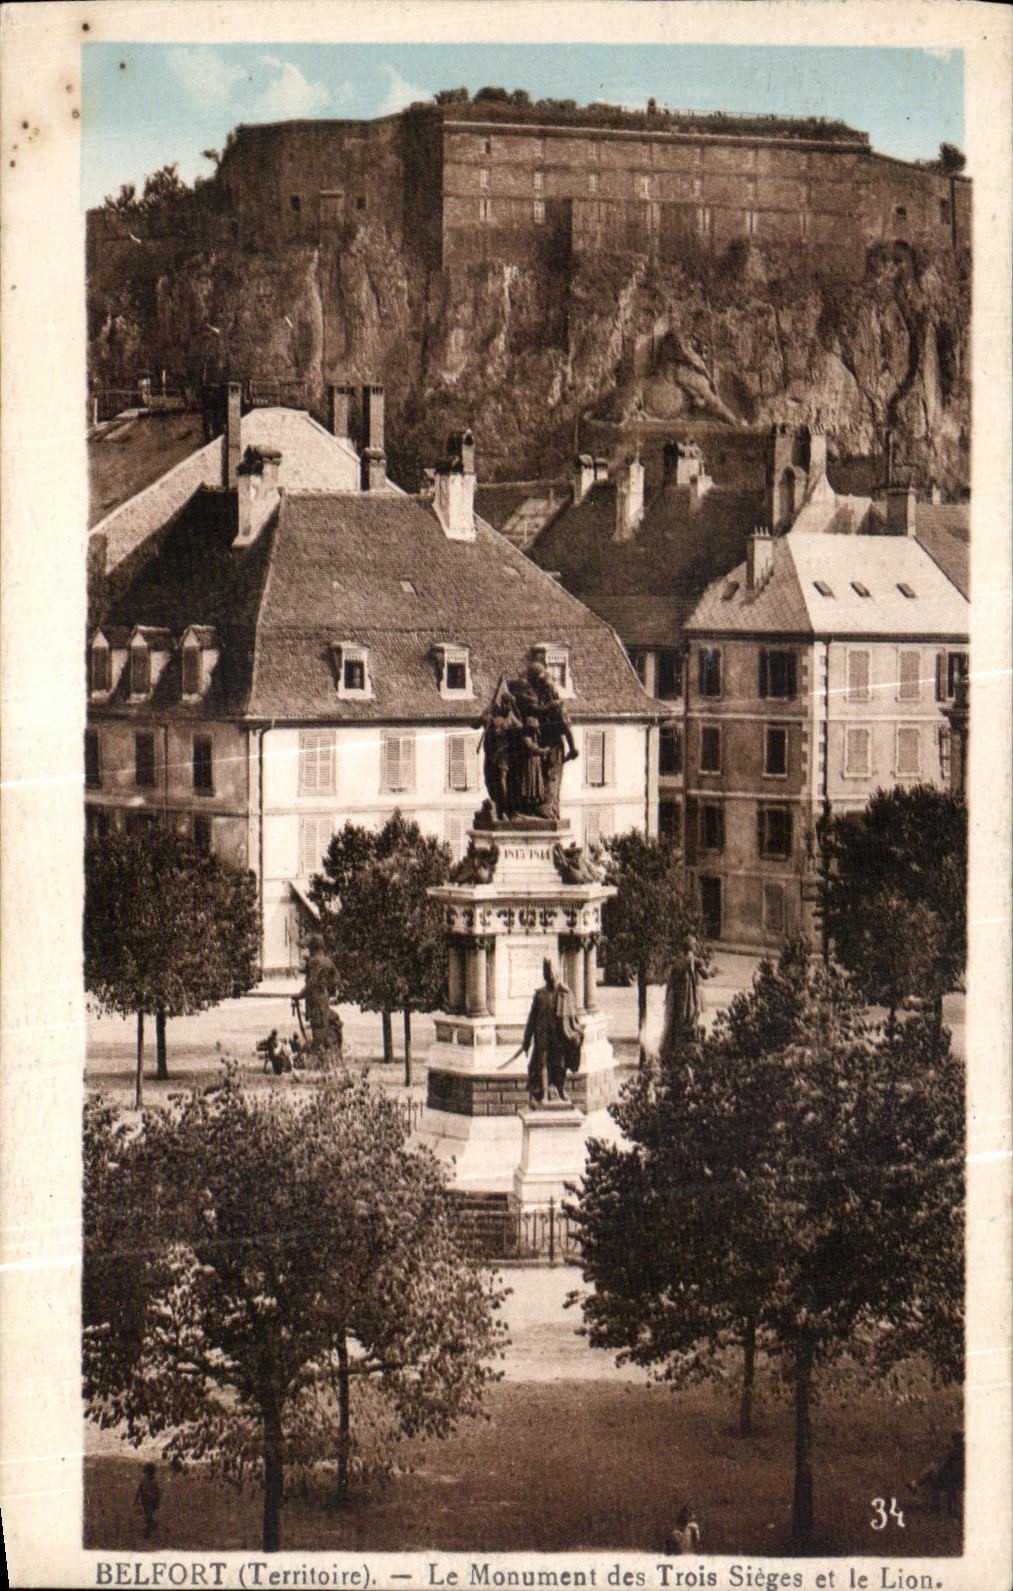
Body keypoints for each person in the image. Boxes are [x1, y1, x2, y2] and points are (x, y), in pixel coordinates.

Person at [522, 959, 582, 1104]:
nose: (550, 976)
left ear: (558, 973)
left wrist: (576, 1033)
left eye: (553, 973)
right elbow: (532, 1019)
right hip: (543, 1035)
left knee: (560, 1064)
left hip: (560, 1036)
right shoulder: (540, 995)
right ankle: (543, 1094)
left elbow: (574, 1017)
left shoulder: (565, 994)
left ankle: (560, 1089)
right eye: (547, 973)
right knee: (542, 1063)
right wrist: (526, 1040)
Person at [658, 933, 711, 1060]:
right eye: (694, 945)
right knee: (680, 1023)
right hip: (681, 1000)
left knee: (690, 1020)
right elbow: (672, 981)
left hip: (690, 999)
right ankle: (675, 1049)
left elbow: (705, 974)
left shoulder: (691, 961)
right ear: (690, 947)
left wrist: (711, 971)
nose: (696, 947)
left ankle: (684, 1046)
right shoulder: (682, 963)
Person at [295, 934, 341, 1055]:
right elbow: (337, 978)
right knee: (323, 1025)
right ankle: (325, 1056)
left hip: (315, 999)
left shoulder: (315, 962)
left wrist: (299, 995)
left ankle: (319, 1059)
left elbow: (311, 984)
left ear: (313, 946)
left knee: (318, 1028)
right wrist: (327, 987)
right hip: (324, 997)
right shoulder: (327, 960)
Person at [134, 1462, 160, 1540]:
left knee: (148, 1513)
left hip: (149, 1500)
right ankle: (151, 1524)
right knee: (149, 1513)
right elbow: (139, 1490)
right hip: (147, 1500)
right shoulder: (148, 1481)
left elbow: (139, 1490)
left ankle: (149, 1526)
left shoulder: (150, 1482)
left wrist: (136, 1500)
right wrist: (136, 1499)